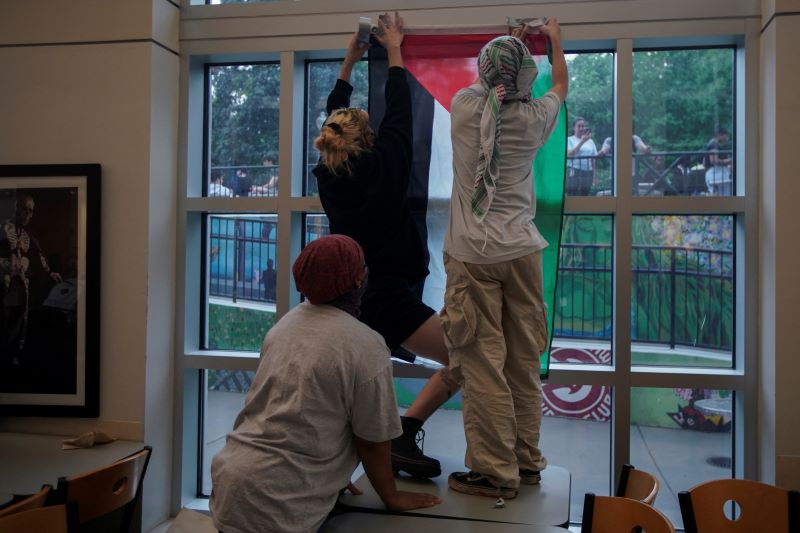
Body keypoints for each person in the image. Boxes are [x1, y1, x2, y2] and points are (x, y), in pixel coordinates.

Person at [210, 235, 441, 533]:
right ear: (358, 281)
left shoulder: (285, 326)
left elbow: (291, 413)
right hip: (281, 499)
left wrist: (333, 472)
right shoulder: (365, 344)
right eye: (363, 267)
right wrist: (392, 497)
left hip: (232, 482)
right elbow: (372, 441)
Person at [312, 11, 458, 479]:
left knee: (359, 390)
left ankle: (347, 461)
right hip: (389, 297)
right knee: (469, 359)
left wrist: (349, 63)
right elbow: (400, 107)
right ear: (370, 140)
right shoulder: (387, 163)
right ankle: (404, 432)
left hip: (355, 298)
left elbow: (372, 113)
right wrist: (394, 48)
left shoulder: (328, 177)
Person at [443, 19, 567, 499]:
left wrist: (508, 47)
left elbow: (489, 84)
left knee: (482, 366)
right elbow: (560, 84)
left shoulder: (463, 107)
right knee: (522, 364)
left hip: (472, 255)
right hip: (523, 254)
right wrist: (550, 40)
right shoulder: (535, 118)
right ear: (525, 77)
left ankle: (495, 473)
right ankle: (527, 463)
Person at [0, 194, 62, 367]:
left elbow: (39, 255)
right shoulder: (3, 229)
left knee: (18, 320)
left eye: (31, 211)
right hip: (3, 285)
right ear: (16, 208)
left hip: (18, 288)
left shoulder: (28, 237)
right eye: (24, 209)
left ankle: (12, 354)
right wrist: (8, 265)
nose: (27, 214)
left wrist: (49, 272)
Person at [566, 116, 597, 195]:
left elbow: (593, 159)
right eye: (579, 126)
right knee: (573, 194)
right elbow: (569, 154)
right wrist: (582, 141)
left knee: (585, 194)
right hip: (574, 170)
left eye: (583, 126)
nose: (581, 128)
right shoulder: (569, 139)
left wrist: (594, 175)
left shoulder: (590, 141)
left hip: (588, 172)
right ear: (574, 128)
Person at [703, 126, 732, 195]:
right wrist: (729, 160)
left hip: (711, 173)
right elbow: (714, 161)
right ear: (719, 135)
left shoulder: (709, 144)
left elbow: (704, 162)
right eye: (725, 135)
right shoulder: (714, 145)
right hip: (717, 173)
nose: (726, 138)